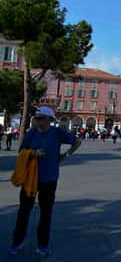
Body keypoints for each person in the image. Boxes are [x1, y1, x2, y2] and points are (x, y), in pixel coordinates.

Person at [8, 106, 81, 256]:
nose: (36, 119)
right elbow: (21, 152)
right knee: (23, 212)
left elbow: (77, 142)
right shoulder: (31, 134)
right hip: (30, 179)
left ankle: (43, 245)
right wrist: (33, 153)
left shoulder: (57, 132)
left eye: (40, 118)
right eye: (36, 117)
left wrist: (65, 155)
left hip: (49, 179)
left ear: (49, 119)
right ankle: (17, 242)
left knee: (45, 213)